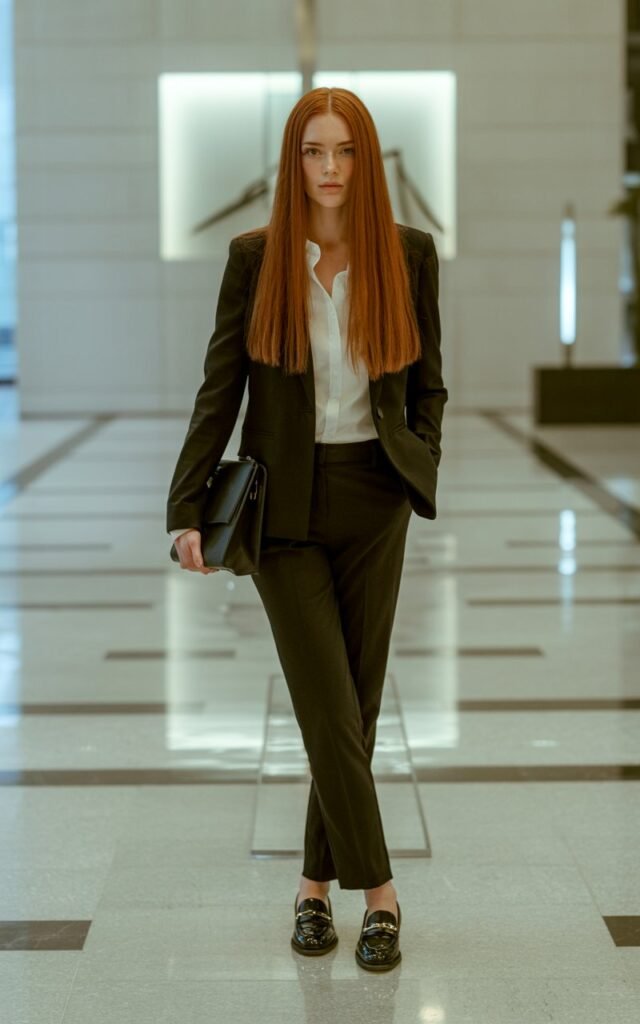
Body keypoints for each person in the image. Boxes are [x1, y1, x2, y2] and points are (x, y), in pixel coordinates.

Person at [166, 86, 447, 971]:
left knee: (353, 712)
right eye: (313, 152)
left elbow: (429, 380)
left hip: (376, 496)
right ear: (293, 164)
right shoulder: (257, 259)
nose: (329, 169)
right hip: (282, 508)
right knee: (327, 705)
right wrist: (185, 509)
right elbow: (222, 389)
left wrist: (418, 462)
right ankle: (384, 898)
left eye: (345, 152)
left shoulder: (408, 254)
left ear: (366, 161)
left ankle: (312, 892)